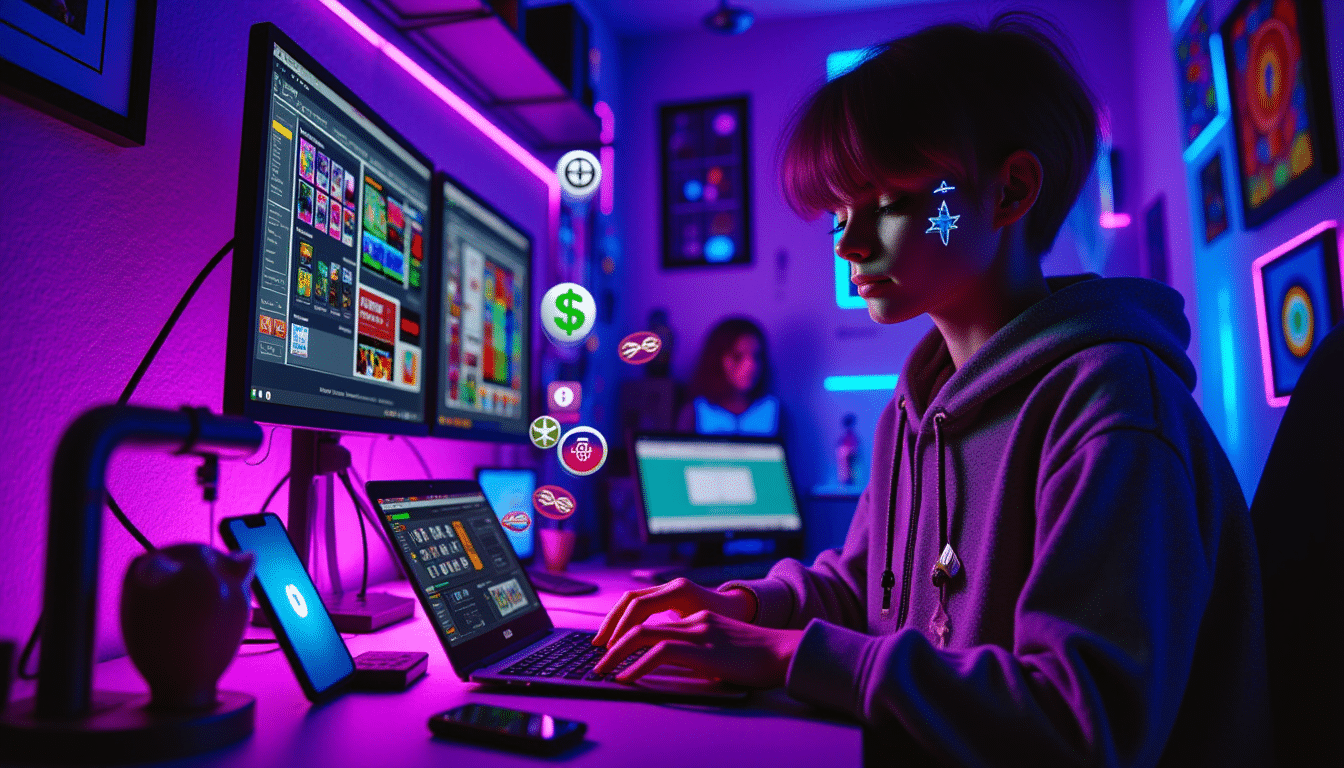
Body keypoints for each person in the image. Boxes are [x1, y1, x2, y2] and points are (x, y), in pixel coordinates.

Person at [592, 11, 1270, 767]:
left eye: (886, 203)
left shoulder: (1112, 405)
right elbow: (864, 592)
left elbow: (1082, 727)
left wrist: (788, 658)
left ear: (1009, 191)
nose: (848, 241)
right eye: (840, 214)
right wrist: (747, 607)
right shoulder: (914, 408)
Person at [674, 316, 781, 437]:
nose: (750, 366)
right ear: (716, 359)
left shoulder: (773, 409)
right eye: (737, 357)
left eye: (756, 356)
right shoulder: (694, 411)